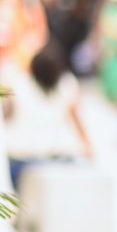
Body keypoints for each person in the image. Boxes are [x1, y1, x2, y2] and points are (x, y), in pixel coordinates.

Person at [3, 41, 93, 191]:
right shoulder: (67, 84)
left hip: (22, 160)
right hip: (57, 159)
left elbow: (6, 115)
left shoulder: (18, 84)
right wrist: (88, 149)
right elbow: (77, 121)